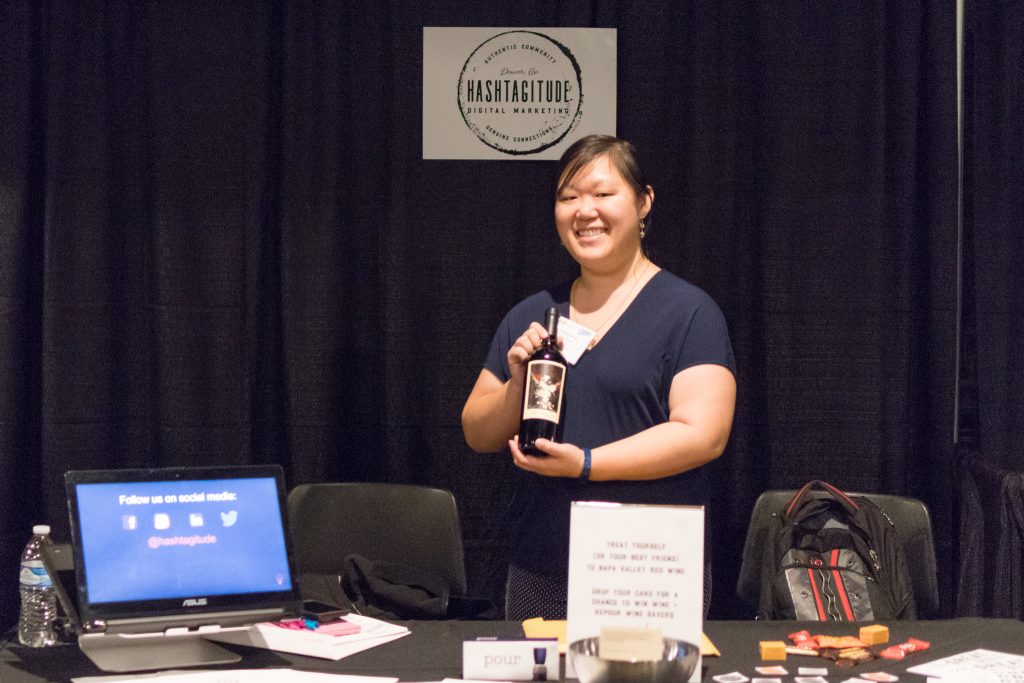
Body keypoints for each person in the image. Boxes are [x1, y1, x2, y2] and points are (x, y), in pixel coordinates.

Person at [461, 134, 736, 620]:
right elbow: (478, 432)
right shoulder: (534, 314)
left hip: (647, 568)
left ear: (644, 202)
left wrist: (585, 464)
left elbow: (702, 436)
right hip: (543, 562)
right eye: (568, 198)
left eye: (603, 194)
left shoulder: (689, 312)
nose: (584, 211)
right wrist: (517, 385)